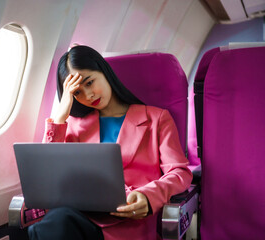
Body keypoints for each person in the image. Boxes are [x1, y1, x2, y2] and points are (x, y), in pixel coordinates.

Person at [28, 45, 193, 240]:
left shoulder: (156, 119)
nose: (88, 95)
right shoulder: (72, 126)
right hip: (80, 220)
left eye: (89, 82)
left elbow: (179, 172)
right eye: (78, 93)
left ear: (104, 71)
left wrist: (149, 197)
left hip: (129, 224)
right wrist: (60, 115)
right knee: (57, 222)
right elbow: (46, 175)